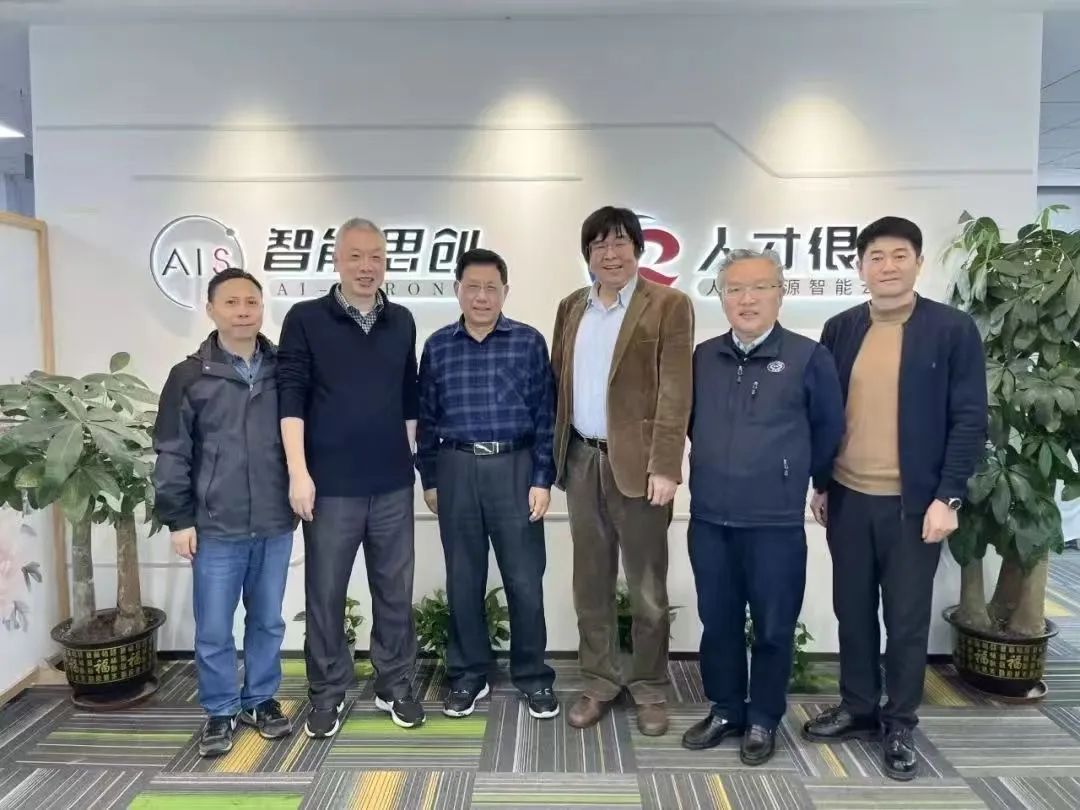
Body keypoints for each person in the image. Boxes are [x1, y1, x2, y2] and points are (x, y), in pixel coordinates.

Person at [802, 216, 987, 781]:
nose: (887, 266)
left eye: (899, 255)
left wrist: (948, 497)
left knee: (905, 620)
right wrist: (822, 482)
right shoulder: (840, 328)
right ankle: (858, 707)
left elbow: (969, 418)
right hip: (848, 497)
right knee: (852, 611)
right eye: (876, 257)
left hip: (915, 505)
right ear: (860, 266)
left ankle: (900, 720)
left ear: (918, 263)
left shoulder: (951, 329)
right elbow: (824, 412)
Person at [682, 249, 844, 765]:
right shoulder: (703, 357)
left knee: (774, 627)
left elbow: (828, 430)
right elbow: (691, 425)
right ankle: (726, 709)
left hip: (774, 522)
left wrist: (814, 482)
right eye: (734, 289)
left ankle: (763, 718)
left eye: (759, 287)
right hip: (710, 518)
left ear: (780, 293)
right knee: (718, 623)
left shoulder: (808, 357)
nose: (746, 299)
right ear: (721, 297)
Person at [551, 206, 694, 736]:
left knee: (647, 587)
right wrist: (554, 461)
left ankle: (650, 686)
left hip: (641, 468)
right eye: (598, 245)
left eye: (619, 243)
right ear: (587, 254)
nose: (610, 254)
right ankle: (599, 680)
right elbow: (558, 385)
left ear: (638, 248)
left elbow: (676, 390)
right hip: (581, 459)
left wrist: (666, 465)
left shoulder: (669, 304)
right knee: (590, 582)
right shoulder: (571, 307)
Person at [277, 217, 422, 738]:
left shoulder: (402, 320)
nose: (367, 266)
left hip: (391, 484)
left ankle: (394, 683)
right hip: (329, 486)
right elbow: (290, 397)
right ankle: (327, 692)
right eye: (356, 256)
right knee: (326, 594)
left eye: (376, 257)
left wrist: (407, 456)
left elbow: (409, 395)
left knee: (394, 591)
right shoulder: (305, 319)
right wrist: (298, 472)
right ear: (336, 260)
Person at [153, 268, 296, 757]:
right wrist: (179, 519)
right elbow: (172, 450)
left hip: (274, 520)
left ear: (262, 308)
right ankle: (219, 710)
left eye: (251, 302)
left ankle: (260, 700)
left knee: (267, 621)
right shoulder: (190, 376)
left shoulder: (283, 368)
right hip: (216, 525)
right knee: (215, 627)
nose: (242, 312)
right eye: (231, 303)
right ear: (211, 310)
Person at [417, 248, 559, 720]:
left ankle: (533, 676)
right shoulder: (438, 346)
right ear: (457, 290)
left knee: (525, 580)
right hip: (456, 467)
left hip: (516, 467)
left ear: (505, 291)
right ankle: (468, 674)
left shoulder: (528, 342)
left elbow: (546, 415)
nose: (482, 297)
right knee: (463, 578)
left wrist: (542, 478)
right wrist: (430, 479)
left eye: (491, 288)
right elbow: (426, 418)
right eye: (472, 287)